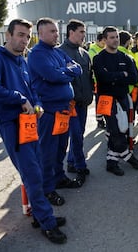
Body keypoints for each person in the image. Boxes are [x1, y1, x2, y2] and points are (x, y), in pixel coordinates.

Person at [0, 19, 67, 244]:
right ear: (8, 36)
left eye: (27, 37)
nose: (24, 40)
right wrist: (20, 99)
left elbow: (33, 91)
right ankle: (47, 223)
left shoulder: (22, 60)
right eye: (20, 35)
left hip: (30, 123)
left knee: (38, 170)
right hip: (12, 124)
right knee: (32, 174)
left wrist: (37, 104)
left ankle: (41, 215)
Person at [28, 17, 83, 204]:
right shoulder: (37, 54)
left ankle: (59, 178)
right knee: (47, 152)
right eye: (52, 31)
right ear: (40, 33)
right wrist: (65, 72)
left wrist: (63, 72)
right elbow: (51, 75)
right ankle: (48, 189)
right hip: (49, 113)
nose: (56, 34)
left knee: (61, 149)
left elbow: (78, 69)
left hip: (63, 111)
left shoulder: (57, 52)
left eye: (57, 31)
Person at [92, 26, 138, 176]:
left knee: (123, 129)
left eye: (117, 37)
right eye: (111, 37)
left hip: (123, 97)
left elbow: (134, 78)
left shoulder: (126, 57)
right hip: (106, 99)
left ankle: (111, 162)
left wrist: (114, 76)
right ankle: (128, 156)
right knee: (114, 129)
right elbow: (103, 78)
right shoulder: (99, 58)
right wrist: (122, 74)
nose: (115, 40)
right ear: (105, 40)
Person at [59, 19, 94, 184]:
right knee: (74, 136)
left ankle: (72, 162)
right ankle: (79, 165)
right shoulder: (59, 52)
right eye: (81, 32)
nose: (84, 35)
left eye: (84, 32)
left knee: (79, 134)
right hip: (69, 104)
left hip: (83, 103)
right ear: (71, 32)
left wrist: (90, 96)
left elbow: (88, 77)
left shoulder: (84, 53)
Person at [88, 32, 106, 129]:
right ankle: (99, 119)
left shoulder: (102, 49)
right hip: (97, 81)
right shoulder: (93, 52)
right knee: (99, 101)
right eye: (103, 42)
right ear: (98, 41)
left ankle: (102, 117)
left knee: (103, 100)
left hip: (103, 80)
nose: (105, 44)